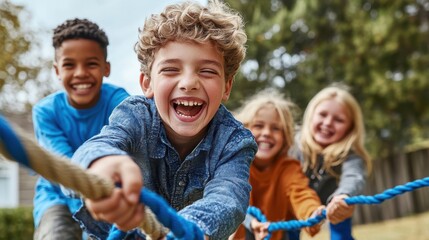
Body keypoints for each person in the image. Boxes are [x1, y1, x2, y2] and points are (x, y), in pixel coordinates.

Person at [67, 1, 258, 239]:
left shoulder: (234, 142)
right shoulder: (136, 116)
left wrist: (186, 228)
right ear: (147, 84)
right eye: (170, 70)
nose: (189, 82)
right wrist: (100, 162)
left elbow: (230, 196)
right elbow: (99, 145)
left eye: (207, 71)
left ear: (226, 87)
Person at [32, 18, 130, 240]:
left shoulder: (121, 104)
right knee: (56, 234)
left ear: (106, 68)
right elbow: (65, 168)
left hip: (108, 192)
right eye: (69, 65)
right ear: (57, 70)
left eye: (91, 64)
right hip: (57, 197)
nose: (80, 73)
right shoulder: (45, 112)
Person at [230, 89, 324, 240]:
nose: (267, 133)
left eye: (275, 128)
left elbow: (300, 193)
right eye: (259, 126)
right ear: (244, 130)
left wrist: (312, 212)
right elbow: (231, 198)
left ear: (285, 137)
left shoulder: (288, 168)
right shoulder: (233, 164)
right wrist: (250, 221)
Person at [290, 84, 372, 239]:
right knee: (287, 230)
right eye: (322, 114)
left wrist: (343, 195)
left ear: (350, 128)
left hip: (334, 203)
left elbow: (354, 177)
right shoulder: (294, 146)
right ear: (311, 115)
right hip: (293, 206)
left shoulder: (350, 156)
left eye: (339, 120)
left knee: (341, 224)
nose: (328, 123)